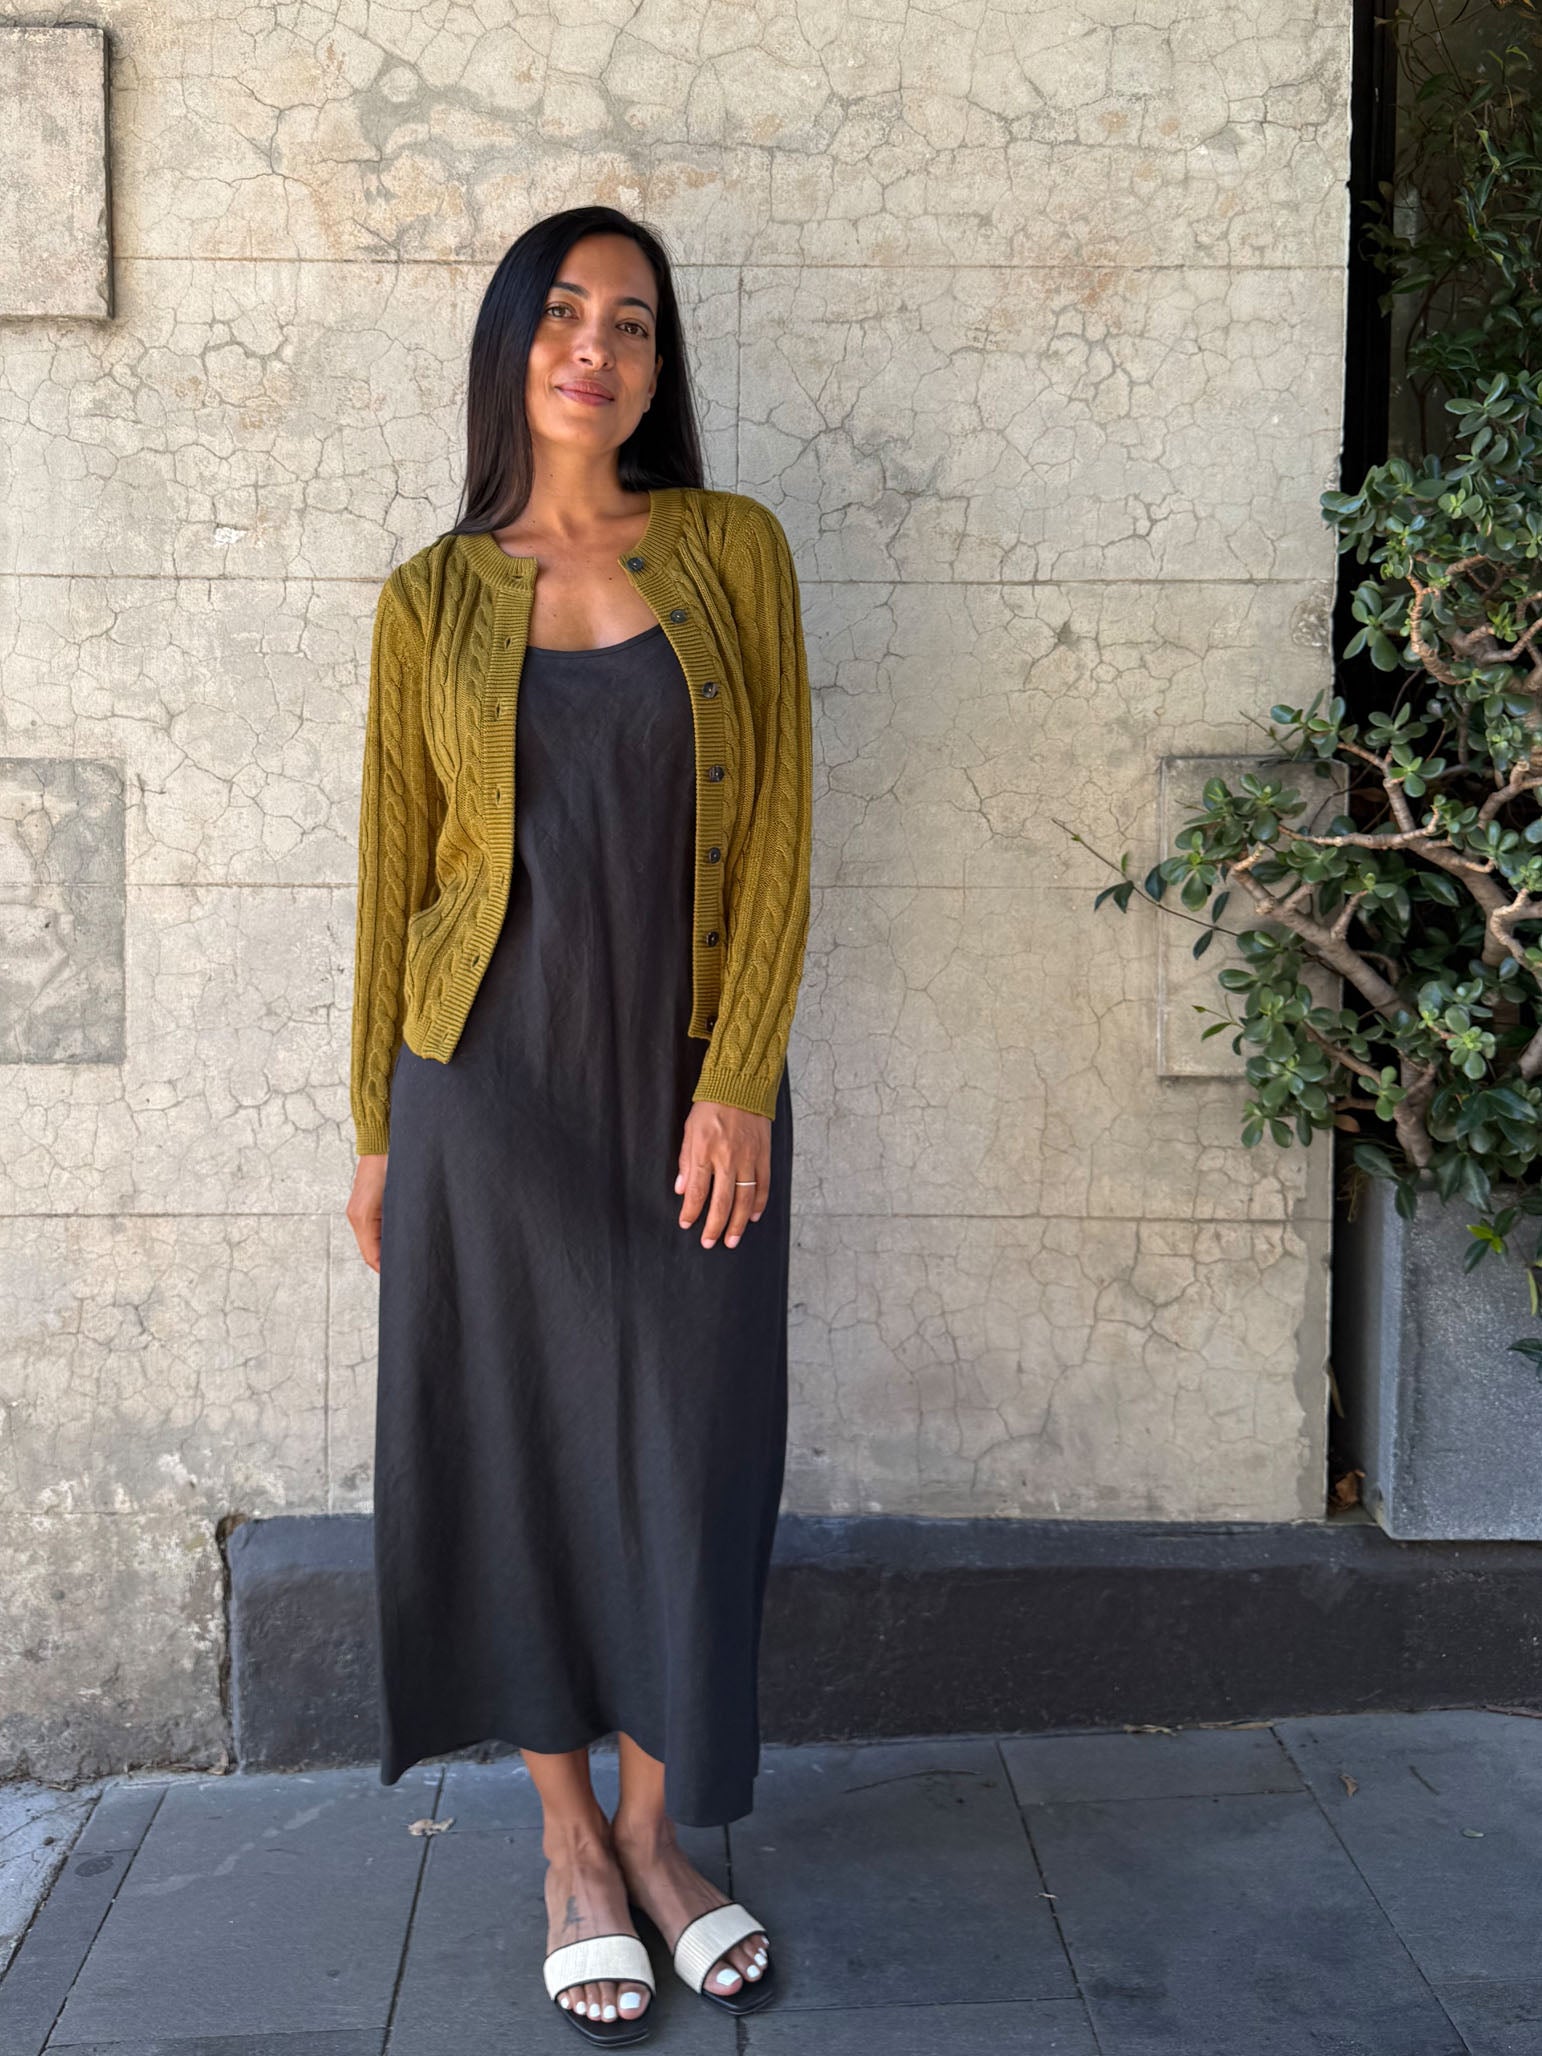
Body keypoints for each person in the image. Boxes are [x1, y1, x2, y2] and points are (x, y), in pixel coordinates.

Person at [344, 204, 813, 2047]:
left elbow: (782, 829)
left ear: (656, 364)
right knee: (516, 1453)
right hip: (486, 1090)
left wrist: (741, 1075)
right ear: (508, 345)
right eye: (560, 313)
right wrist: (374, 1128)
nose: (594, 349)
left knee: (693, 1447)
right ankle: (565, 1845)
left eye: (630, 321)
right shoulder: (429, 597)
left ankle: (656, 1837)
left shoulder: (731, 548)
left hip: (686, 1087)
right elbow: (394, 882)